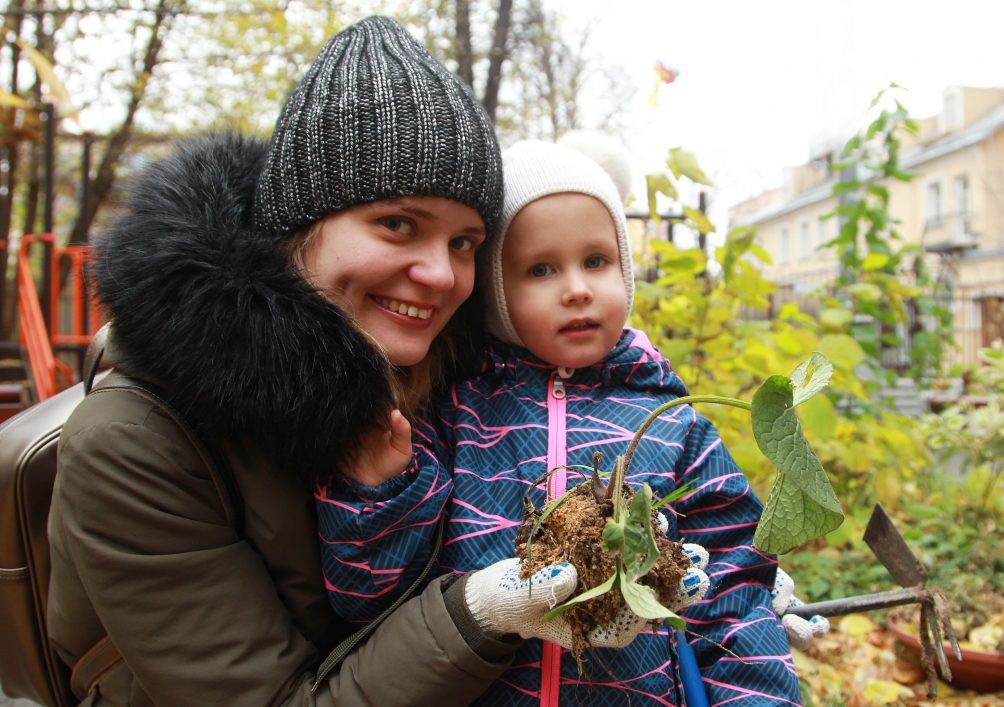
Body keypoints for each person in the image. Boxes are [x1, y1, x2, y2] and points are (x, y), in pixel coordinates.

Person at [47, 17, 584, 706]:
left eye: (464, 242)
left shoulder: (449, 376)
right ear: (300, 223)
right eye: (399, 223)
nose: (441, 275)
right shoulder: (132, 444)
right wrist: (477, 615)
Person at [317, 140, 810, 704]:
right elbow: (369, 600)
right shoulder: (453, 414)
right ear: (497, 294)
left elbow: (731, 598)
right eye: (541, 268)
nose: (577, 288)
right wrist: (378, 496)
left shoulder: (675, 425)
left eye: (596, 261)